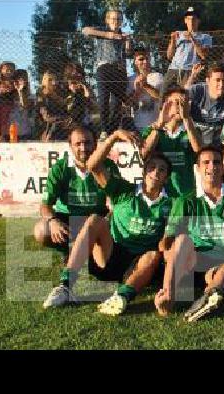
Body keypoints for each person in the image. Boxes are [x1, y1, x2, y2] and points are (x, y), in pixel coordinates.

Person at [42, 129, 171, 316]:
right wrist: (114, 137)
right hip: (110, 256)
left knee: (152, 255)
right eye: (151, 167)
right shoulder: (124, 190)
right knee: (96, 220)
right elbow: (93, 165)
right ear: (143, 172)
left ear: (166, 177)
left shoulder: (172, 203)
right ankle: (65, 286)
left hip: (139, 265)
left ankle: (122, 298)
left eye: (162, 169)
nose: (155, 172)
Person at [155, 146, 224, 321]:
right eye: (206, 162)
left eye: (217, 162)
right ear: (197, 168)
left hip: (219, 268)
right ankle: (168, 297)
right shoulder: (186, 200)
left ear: (223, 167)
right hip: (192, 265)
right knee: (182, 240)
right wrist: (169, 251)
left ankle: (209, 297)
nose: (211, 166)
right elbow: (167, 240)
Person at [33, 126, 119, 254]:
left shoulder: (108, 166)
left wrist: (108, 218)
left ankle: (91, 250)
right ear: (70, 146)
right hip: (69, 219)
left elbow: (116, 202)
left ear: (95, 144)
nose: (83, 148)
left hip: (97, 218)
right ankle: (71, 251)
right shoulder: (60, 168)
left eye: (87, 143)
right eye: (78, 144)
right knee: (41, 230)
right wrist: (53, 221)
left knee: (120, 224)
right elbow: (45, 205)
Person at [140, 87, 201, 198]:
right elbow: (143, 153)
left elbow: (199, 152)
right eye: (177, 103)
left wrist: (187, 118)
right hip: (159, 195)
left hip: (185, 195)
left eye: (184, 103)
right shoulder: (151, 130)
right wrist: (160, 124)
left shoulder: (192, 130)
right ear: (165, 106)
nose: (181, 107)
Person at [82, 9, 131, 136]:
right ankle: (104, 130)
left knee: (116, 103)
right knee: (103, 99)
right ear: (107, 20)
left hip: (119, 70)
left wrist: (127, 42)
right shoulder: (103, 30)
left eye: (119, 19)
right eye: (113, 19)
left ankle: (112, 131)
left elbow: (128, 54)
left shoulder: (122, 34)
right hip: (104, 68)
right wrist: (107, 35)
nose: (116, 21)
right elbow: (85, 30)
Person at [188, 65, 224, 172]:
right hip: (189, 145)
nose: (221, 84)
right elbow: (178, 98)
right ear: (208, 81)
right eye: (217, 80)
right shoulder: (196, 91)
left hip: (213, 147)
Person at [164, 7, 213, 92]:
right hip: (173, 70)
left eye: (194, 19)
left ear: (198, 21)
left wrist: (192, 39)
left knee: (185, 96)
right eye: (189, 19)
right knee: (164, 95)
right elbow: (169, 56)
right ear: (185, 21)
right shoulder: (178, 34)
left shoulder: (205, 37)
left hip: (190, 71)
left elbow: (203, 55)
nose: (191, 22)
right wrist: (172, 41)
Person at [127, 47, 163, 131]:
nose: (145, 61)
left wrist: (145, 85)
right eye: (141, 59)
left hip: (157, 125)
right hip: (138, 125)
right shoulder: (130, 79)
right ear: (135, 62)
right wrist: (137, 91)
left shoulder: (158, 76)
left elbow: (161, 98)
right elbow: (129, 104)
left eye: (147, 58)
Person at [36, 71, 75, 142]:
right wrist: (64, 119)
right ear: (43, 82)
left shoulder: (60, 95)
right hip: (47, 132)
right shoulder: (41, 97)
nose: (54, 82)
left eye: (55, 80)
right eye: (50, 80)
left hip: (62, 129)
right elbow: (46, 116)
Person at [63, 62, 94, 129]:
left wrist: (85, 88)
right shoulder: (64, 88)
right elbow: (66, 105)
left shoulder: (84, 86)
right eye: (76, 74)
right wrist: (73, 92)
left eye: (80, 73)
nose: (79, 75)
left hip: (85, 118)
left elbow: (92, 105)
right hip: (71, 116)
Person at [9, 69, 35, 140]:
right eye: (17, 79)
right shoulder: (9, 96)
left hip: (25, 132)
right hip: (11, 132)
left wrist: (20, 91)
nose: (20, 82)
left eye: (23, 79)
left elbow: (25, 106)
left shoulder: (31, 96)